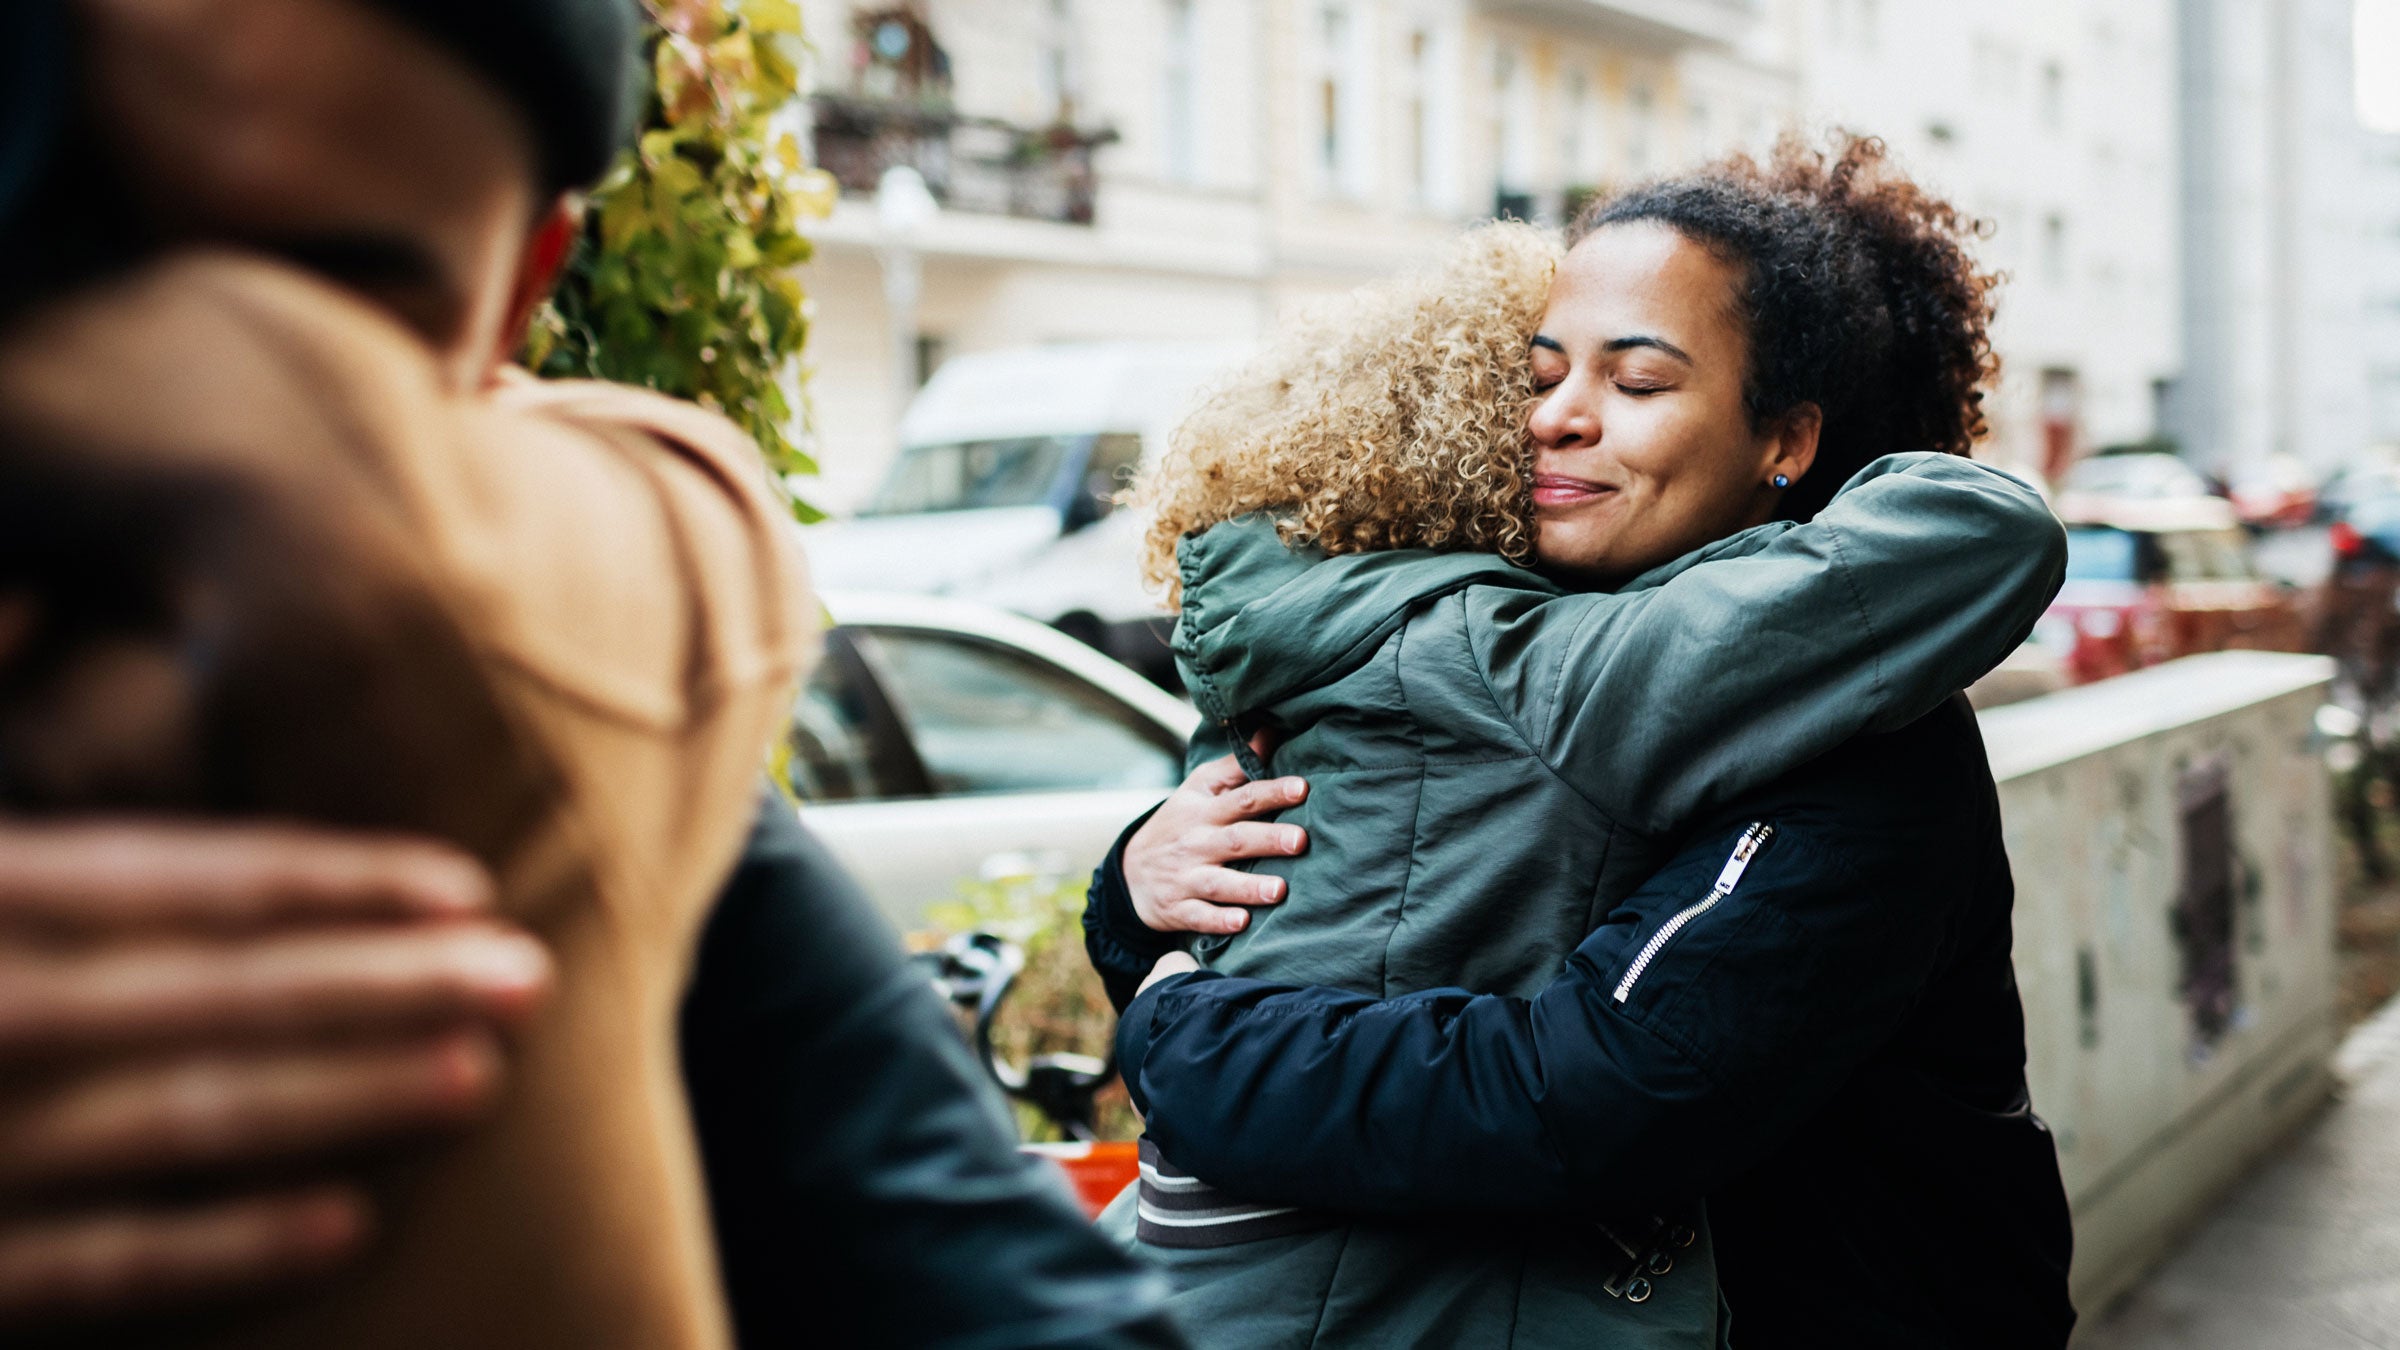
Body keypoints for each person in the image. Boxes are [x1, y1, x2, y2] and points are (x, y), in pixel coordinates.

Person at [0, 2, 1180, 1344]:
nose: (203, 403)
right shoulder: (626, 587)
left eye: (340, 324)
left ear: (520, 300)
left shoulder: (526, 673)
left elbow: (1009, 1289)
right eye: (84, 253)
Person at [1091, 139, 2079, 1350]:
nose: (1560, 417)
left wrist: (1186, 1037)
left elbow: (1599, 1088)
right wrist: (1138, 891)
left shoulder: (1869, 740)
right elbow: (1359, 913)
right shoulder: (1532, 647)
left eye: (1640, 383)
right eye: (1539, 372)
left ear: (1787, 439)